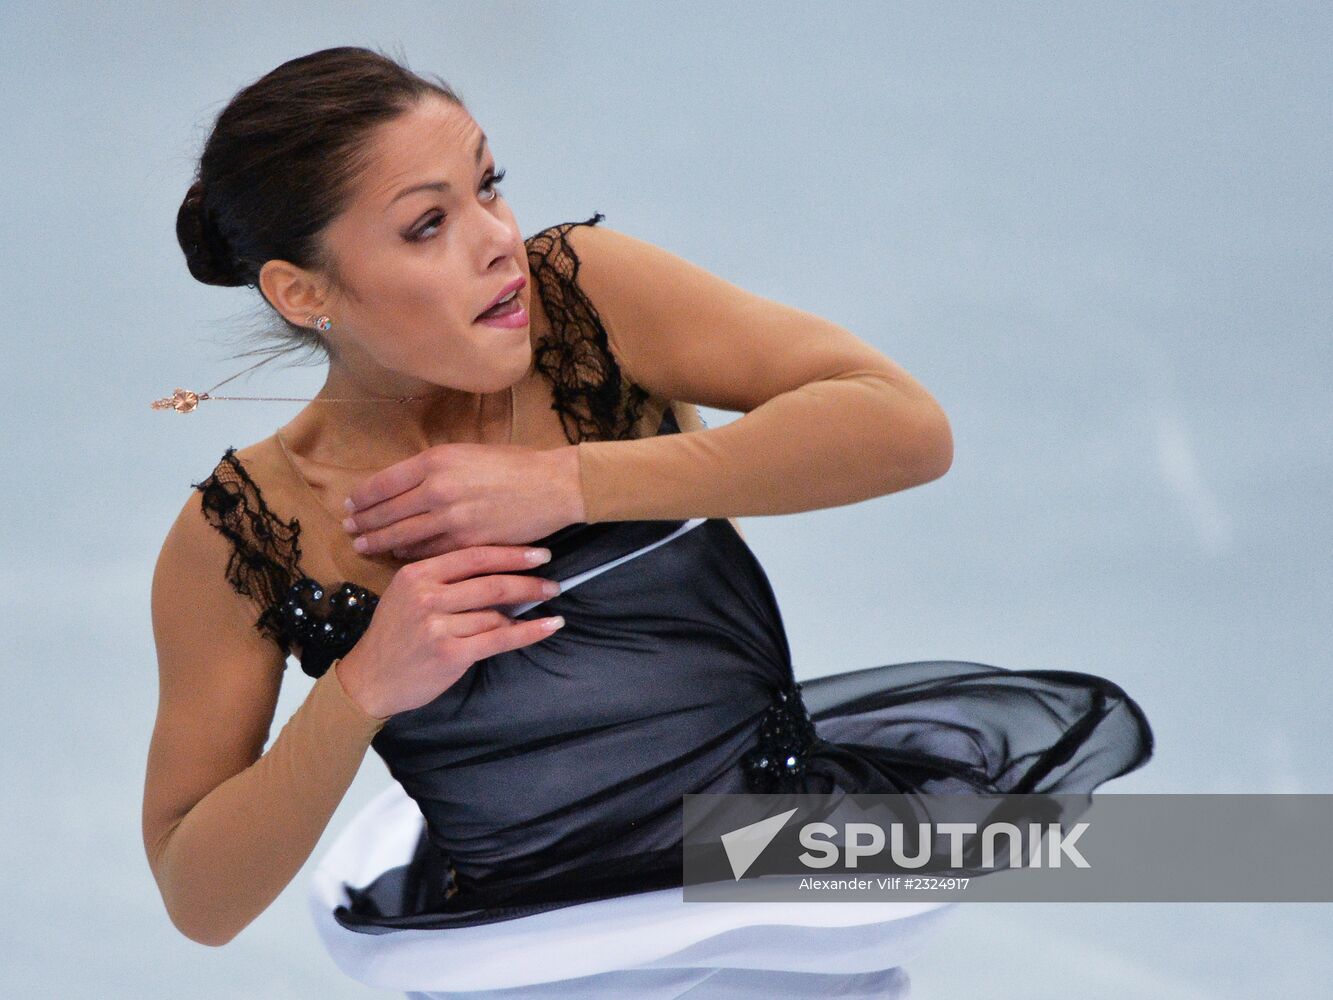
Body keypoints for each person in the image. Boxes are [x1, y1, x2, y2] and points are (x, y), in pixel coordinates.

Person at [143, 46, 1154, 997]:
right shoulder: (245, 534)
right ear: (301, 289)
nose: (497, 239)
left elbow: (904, 426)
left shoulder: (584, 311)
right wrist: (364, 685)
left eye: (488, 186)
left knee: (1247, 853)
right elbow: (201, 897)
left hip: (775, 899)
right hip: (530, 960)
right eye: (426, 225)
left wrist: (574, 484)